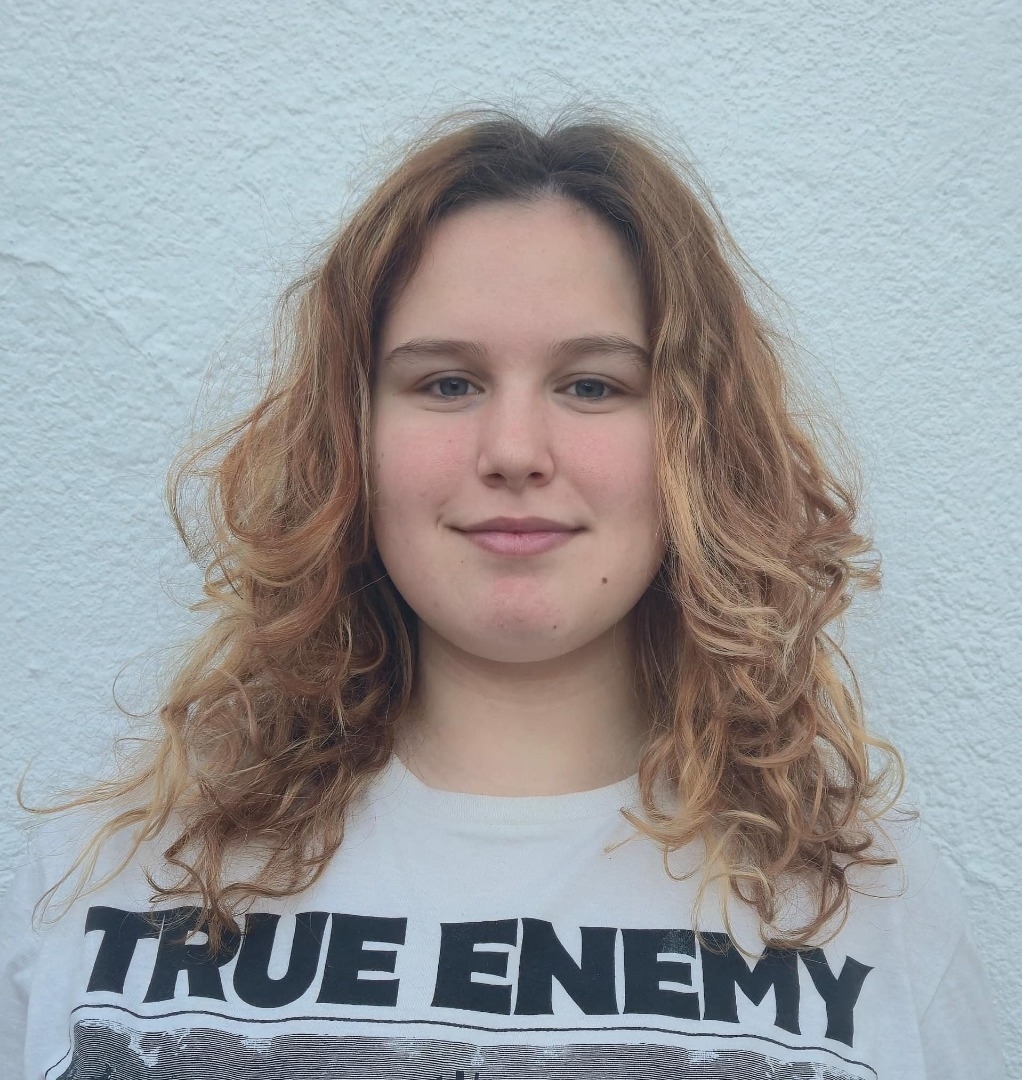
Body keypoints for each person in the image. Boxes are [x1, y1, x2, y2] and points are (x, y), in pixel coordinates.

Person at [0, 104, 1005, 1079]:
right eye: (447, 383)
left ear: (695, 447)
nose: (514, 450)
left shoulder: (863, 911)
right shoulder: (105, 880)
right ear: (350, 439)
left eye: (592, 384)